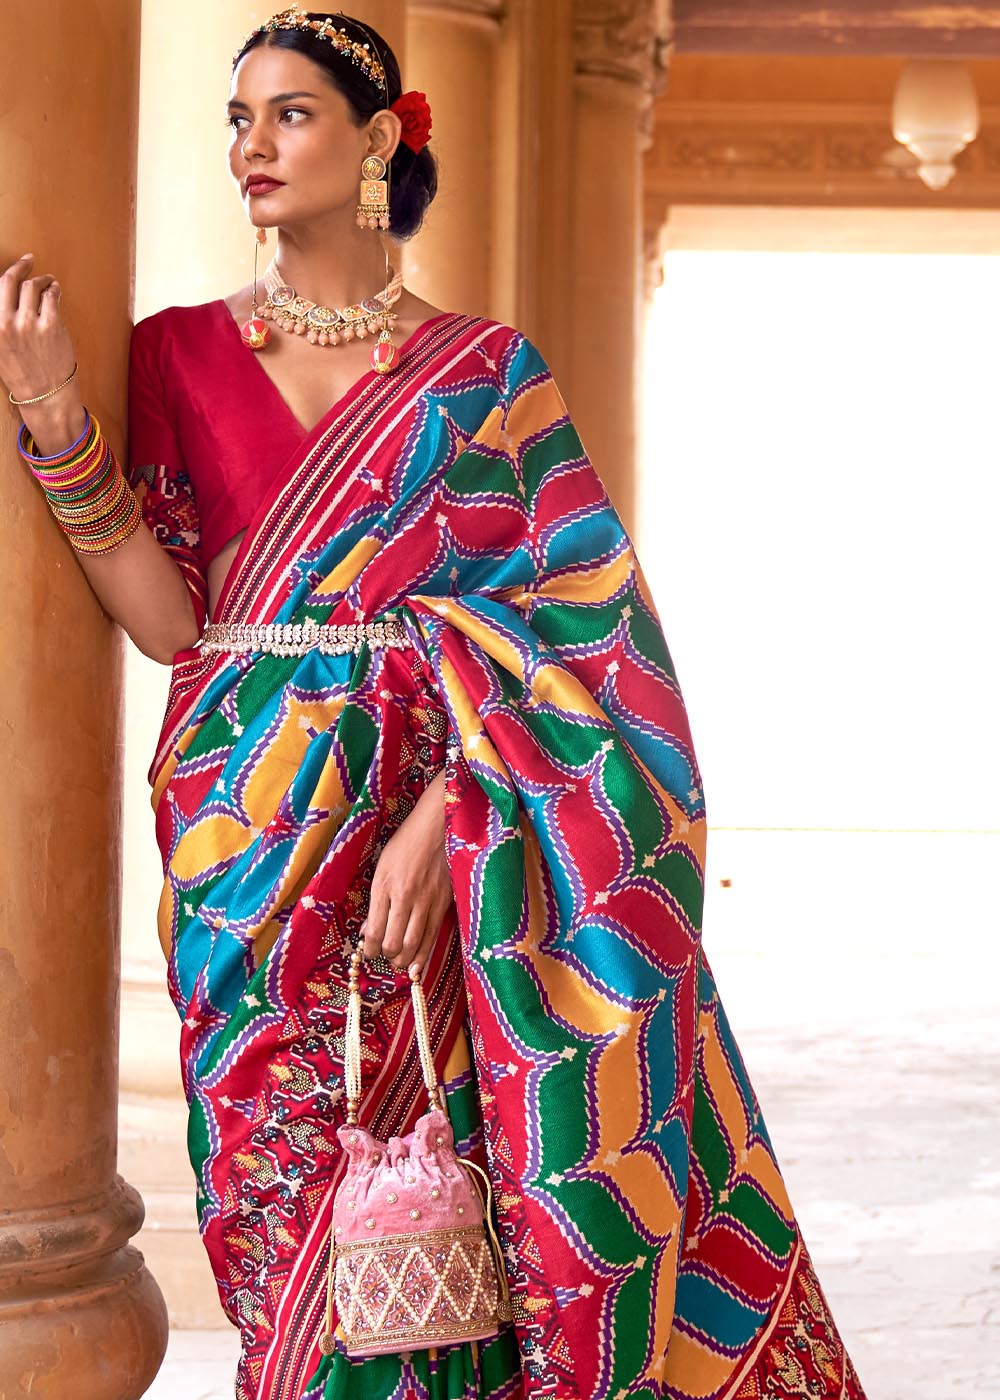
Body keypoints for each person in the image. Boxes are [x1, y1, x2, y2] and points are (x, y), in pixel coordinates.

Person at [0, 9, 868, 1400]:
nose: (251, 145)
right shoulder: (174, 356)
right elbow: (172, 624)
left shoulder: (486, 378)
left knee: (444, 1212)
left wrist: (447, 816)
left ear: (378, 141)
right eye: (237, 118)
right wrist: (57, 424)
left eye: (289, 114)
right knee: (277, 1205)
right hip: (244, 850)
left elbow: (586, 648)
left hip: (443, 851)